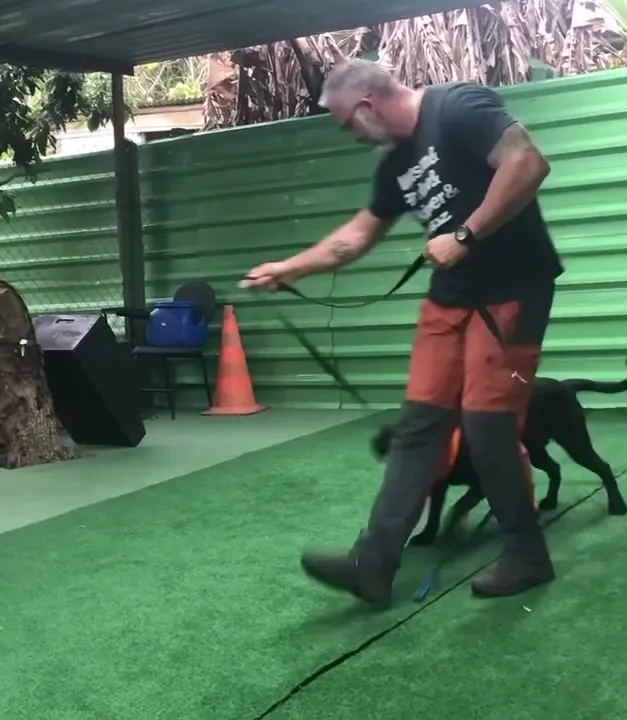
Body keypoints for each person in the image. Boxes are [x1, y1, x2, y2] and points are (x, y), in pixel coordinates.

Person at [240, 59, 563, 602]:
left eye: (347, 123)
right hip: (450, 297)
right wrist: (289, 269)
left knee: (487, 428)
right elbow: (357, 235)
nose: (351, 136)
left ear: (367, 105)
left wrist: (464, 235)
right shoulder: (395, 163)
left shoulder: (457, 106)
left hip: (512, 288)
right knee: (418, 427)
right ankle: (372, 564)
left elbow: (527, 162)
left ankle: (527, 556)